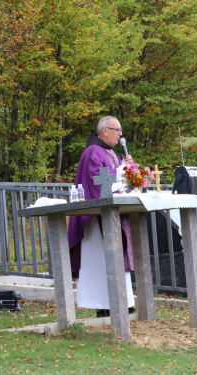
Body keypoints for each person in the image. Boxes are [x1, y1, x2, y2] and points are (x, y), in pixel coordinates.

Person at [68, 116, 136, 317]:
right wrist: (120, 172)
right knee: (101, 258)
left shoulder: (111, 153)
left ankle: (123, 300)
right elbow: (98, 183)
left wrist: (128, 170)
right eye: (118, 130)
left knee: (118, 255)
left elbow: (116, 181)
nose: (120, 134)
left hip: (113, 213)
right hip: (97, 218)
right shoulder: (92, 152)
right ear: (105, 130)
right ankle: (104, 303)